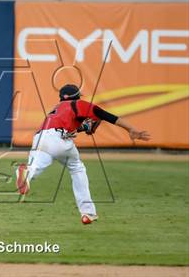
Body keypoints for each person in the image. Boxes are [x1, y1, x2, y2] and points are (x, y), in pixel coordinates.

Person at [16, 84, 150, 224]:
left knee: (36, 166)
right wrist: (131, 129)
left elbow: (71, 126)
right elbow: (105, 115)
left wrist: (85, 127)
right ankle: (87, 212)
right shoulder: (78, 103)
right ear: (77, 96)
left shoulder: (56, 108)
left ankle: (26, 172)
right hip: (58, 137)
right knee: (76, 168)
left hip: (40, 138)